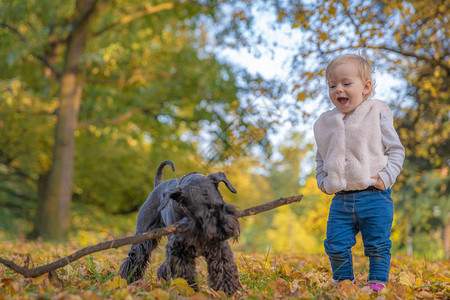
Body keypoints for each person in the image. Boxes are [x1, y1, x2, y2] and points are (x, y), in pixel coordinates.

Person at [313, 54, 405, 292]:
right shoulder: (326, 122)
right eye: (332, 86)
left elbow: (396, 151)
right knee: (335, 242)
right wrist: (323, 180)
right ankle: (344, 282)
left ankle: (376, 283)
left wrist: (386, 178)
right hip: (341, 198)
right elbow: (322, 156)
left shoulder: (376, 112)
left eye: (346, 83)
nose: (338, 90)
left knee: (377, 244)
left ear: (366, 87)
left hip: (374, 195)